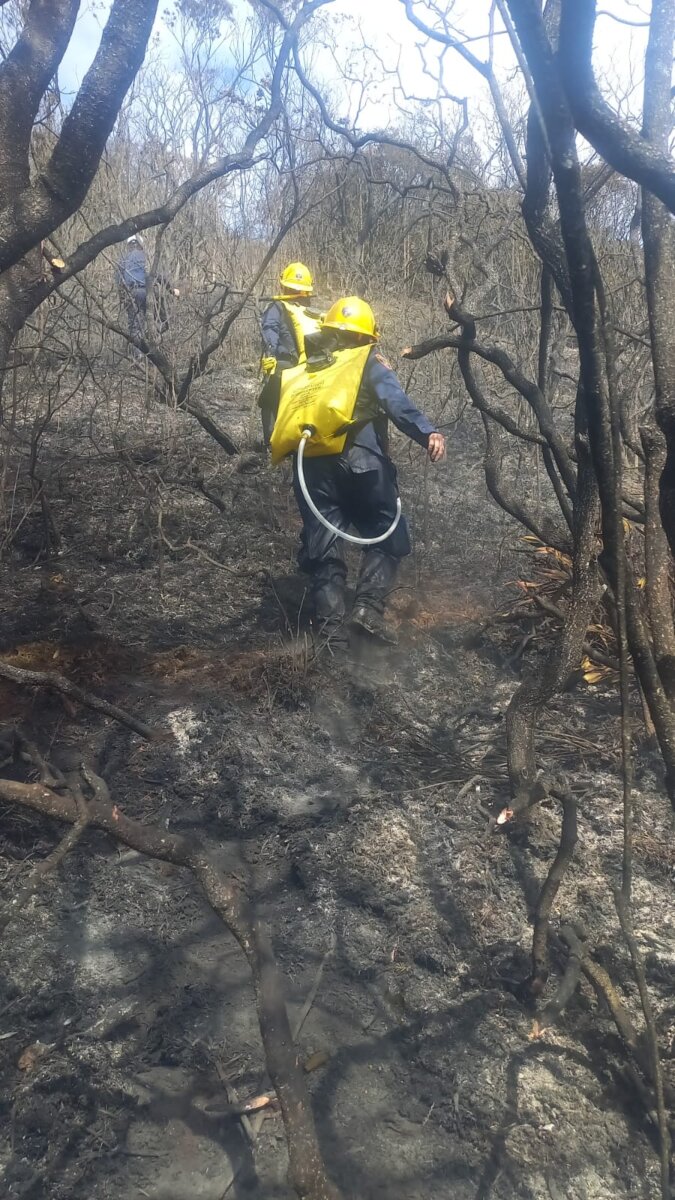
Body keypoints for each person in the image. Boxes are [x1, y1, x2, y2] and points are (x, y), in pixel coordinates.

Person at [279, 296, 445, 647]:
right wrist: (427, 432)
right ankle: (367, 609)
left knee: (325, 548)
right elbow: (396, 404)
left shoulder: (306, 369)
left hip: (310, 470)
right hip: (363, 465)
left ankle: (330, 638)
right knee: (388, 532)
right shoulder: (368, 362)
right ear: (366, 336)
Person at [258, 261, 322, 443]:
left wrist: (270, 355)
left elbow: (270, 329)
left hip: (284, 366)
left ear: (284, 285)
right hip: (311, 366)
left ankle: (272, 443)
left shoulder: (277, 307)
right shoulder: (310, 309)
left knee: (269, 402)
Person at [117, 235, 180, 342]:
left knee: (135, 330)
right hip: (148, 293)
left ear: (128, 246)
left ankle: (138, 355)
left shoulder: (122, 260)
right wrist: (172, 290)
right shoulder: (146, 257)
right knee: (164, 322)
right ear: (141, 245)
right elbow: (159, 275)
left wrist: (124, 300)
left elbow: (119, 283)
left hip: (131, 294)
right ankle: (149, 339)